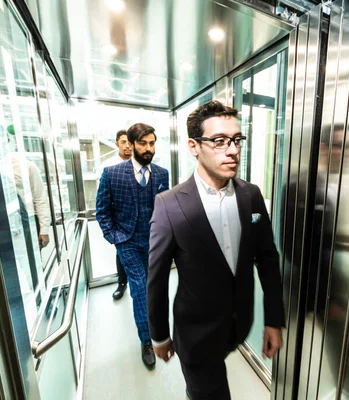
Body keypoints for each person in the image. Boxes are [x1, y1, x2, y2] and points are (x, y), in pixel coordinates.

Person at [147, 100, 285, 399]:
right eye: (219, 141)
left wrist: (273, 320)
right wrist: (158, 335)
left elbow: (267, 258)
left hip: (240, 323)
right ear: (194, 146)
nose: (233, 150)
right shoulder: (170, 205)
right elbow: (156, 279)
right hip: (196, 333)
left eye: (236, 140)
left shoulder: (251, 196)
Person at [96, 123, 169, 368]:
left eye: (152, 143)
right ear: (131, 143)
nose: (148, 148)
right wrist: (115, 237)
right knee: (139, 288)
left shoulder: (161, 174)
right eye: (143, 143)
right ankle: (147, 341)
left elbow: (166, 209)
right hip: (127, 242)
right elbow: (102, 211)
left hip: (155, 243)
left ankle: (159, 329)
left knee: (154, 288)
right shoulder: (112, 173)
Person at [98, 129, 133, 299]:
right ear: (116, 144)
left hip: (140, 221)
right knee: (121, 253)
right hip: (120, 220)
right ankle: (122, 283)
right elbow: (102, 202)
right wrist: (111, 233)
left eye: (130, 142)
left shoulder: (141, 163)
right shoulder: (108, 167)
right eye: (123, 142)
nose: (127, 146)